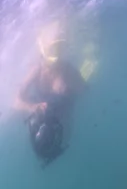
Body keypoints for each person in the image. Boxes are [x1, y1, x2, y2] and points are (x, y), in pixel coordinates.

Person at [14, 20, 97, 167]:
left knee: (88, 68)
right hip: (45, 115)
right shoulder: (36, 70)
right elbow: (16, 100)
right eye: (53, 49)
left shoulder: (68, 71)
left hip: (63, 118)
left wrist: (75, 86)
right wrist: (32, 107)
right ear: (44, 50)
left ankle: (89, 59)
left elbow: (85, 90)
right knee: (41, 145)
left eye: (60, 49)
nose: (57, 55)